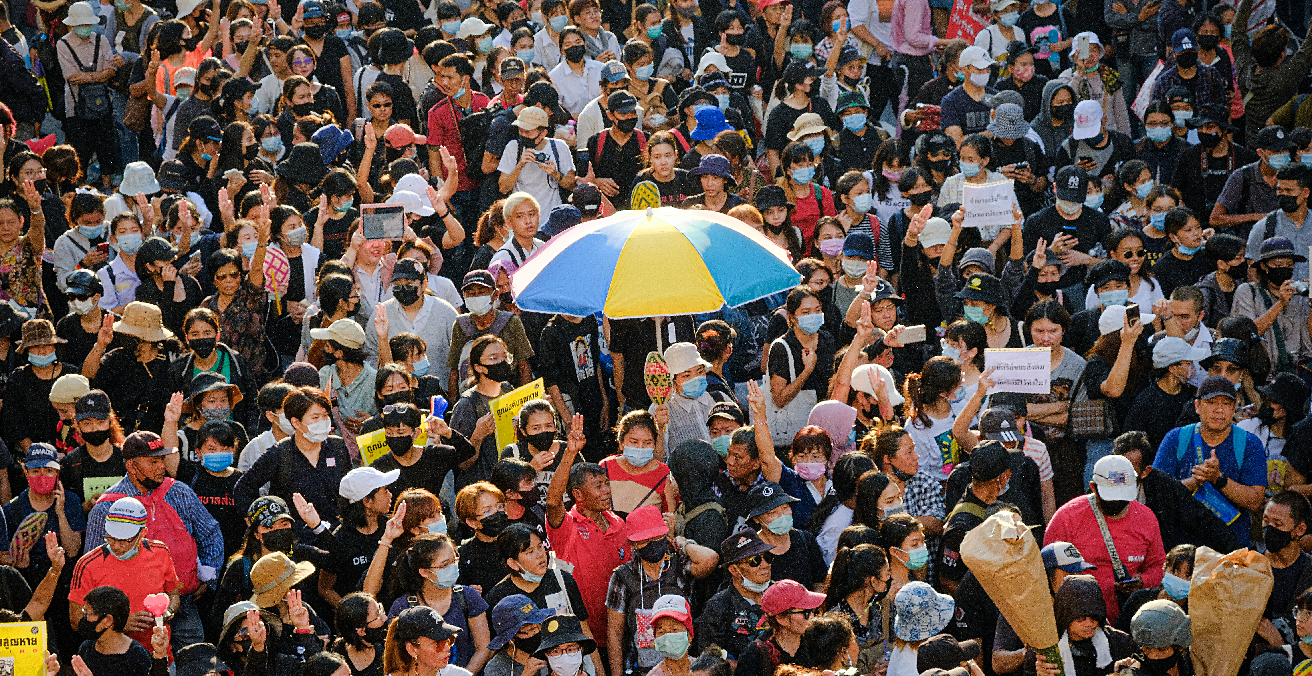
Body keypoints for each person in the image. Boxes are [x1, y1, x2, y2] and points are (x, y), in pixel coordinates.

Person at [1044, 454, 1166, 625]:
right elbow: (1049, 574)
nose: (1117, 502)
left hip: (1129, 619)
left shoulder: (1146, 518)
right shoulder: (1067, 518)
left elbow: (1159, 566)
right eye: (1110, 497)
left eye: (1122, 497)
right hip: (1079, 621)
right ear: (1093, 488)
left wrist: (1142, 582)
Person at [1152, 375, 1268, 546]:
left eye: (1226, 404)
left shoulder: (1249, 444)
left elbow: (1255, 501)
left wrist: (1219, 479)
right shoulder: (1176, 438)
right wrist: (1194, 482)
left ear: (1235, 407)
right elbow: (1157, 495)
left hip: (1232, 547)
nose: (1219, 410)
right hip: (1182, 548)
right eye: (1212, 402)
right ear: (1197, 406)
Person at [604, 505, 719, 676]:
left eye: (656, 537)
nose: (651, 544)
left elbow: (710, 559)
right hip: (641, 668)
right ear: (633, 544)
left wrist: (682, 544)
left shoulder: (679, 565)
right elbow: (614, 632)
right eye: (645, 540)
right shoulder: (623, 576)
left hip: (683, 667)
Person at [70, 496, 182, 652]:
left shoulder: (161, 552)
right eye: (111, 538)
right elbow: (76, 621)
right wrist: (120, 624)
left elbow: (173, 594)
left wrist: (166, 613)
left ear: (142, 533)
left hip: (157, 652)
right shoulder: (88, 564)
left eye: (125, 541)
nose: (116, 546)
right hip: (110, 659)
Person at [1234, 236, 1312, 375]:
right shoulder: (1248, 291)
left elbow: (1309, 339)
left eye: (1289, 265)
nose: (1284, 268)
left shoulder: (1299, 294)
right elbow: (1248, 333)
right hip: (1261, 373)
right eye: (1277, 264)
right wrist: (1280, 303)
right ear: (1264, 266)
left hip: (1295, 373)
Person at [695, 529, 775, 660]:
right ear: (734, 570)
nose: (765, 565)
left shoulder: (782, 593)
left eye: (768, 557)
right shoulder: (717, 607)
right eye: (755, 560)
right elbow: (709, 657)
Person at [73, 585, 169, 676]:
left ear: (107, 621)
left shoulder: (136, 656)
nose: (84, 618)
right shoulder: (87, 648)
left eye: (88, 614)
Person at [735, 579, 825, 676]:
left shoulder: (815, 644)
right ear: (781, 619)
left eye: (813, 610)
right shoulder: (755, 655)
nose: (812, 616)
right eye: (806, 613)